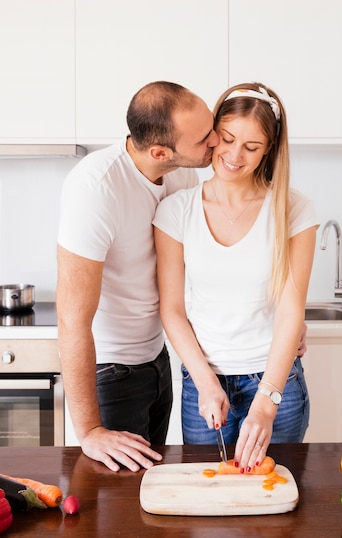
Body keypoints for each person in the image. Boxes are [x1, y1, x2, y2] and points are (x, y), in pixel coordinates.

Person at [153, 82, 319, 472]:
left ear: (269, 150)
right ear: (212, 133)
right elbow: (173, 310)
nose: (233, 155)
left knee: (274, 504)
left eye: (251, 147)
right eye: (227, 139)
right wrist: (206, 383)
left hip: (277, 384)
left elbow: (291, 311)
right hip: (204, 381)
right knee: (210, 505)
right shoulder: (176, 211)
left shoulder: (294, 210)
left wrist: (267, 400)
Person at [56, 81, 219, 472]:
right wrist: (91, 430)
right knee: (115, 511)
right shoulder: (95, 188)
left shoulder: (181, 174)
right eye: (203, 139)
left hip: (157, 362)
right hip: (110, 375)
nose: (217, 140)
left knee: (151, 498)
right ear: (160, 152)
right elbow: (71, 320)